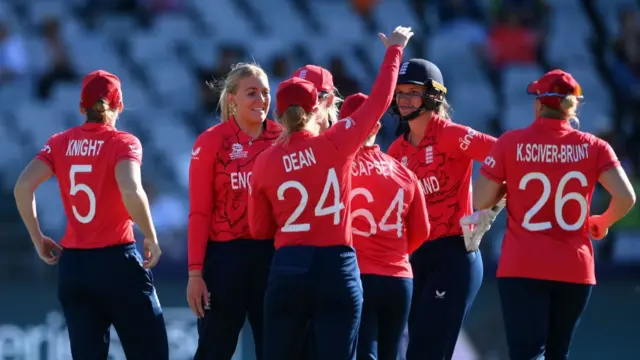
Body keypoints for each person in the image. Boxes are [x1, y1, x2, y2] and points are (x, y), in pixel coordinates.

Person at [248, 26, 413, 360]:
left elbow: (259, 229)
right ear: (318, 107)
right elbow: (380, 100)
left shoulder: (264, 161)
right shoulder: (337, 141)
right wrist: (394, 50)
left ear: (279, 113)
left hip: (288, 266)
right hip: (336, 267)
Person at [473, 69, 636, 360]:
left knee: (527, 354)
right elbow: (625, 197)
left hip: (522, 266)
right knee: (557, 354)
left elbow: (480, 199)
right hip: (574, 268)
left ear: (539, 104)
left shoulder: (510, 143)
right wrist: (603, 221)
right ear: (572, 107)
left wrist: (510, 185)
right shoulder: (595, 147)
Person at [13, 70, 168, 359]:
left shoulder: (59, 141)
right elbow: (131, 190)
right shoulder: (124, 142)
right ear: (119, 105)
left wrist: (37, 238)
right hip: (117, 262)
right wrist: (151, 236)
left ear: (81, 107)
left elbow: (22, 187)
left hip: (74, 267)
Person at [386, 58, 498, 360]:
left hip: (453, 256)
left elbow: (503, 155)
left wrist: (490, 208)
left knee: (428, 351)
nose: (405, 99)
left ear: (433, 96)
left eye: (413, 91)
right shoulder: (397, 150)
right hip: (414, 258)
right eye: (401, 92)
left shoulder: (451, 135)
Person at [186, 62, 282, 360]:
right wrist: (195, 274)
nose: (261, 100)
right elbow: (200, 212)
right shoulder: (211, 141)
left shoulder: (284, 138)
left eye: (265, 92)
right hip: (225, 260)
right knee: (215, 348)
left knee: (278, 349)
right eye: (251, 93)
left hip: (274, 256)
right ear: (232, 99)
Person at [341, 92, 431, 360]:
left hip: (358, 275)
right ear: (377, 127)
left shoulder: (337, 169)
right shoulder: (405, 173)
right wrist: (395, 253)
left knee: (365, 350)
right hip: (400, 278)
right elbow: (422, 231)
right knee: (394, 352)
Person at [291, 63, 343, 132]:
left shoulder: (346, 140)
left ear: (329, 100)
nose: (302, 105)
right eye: (296, 98)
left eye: (311, 97)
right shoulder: (279, 141)